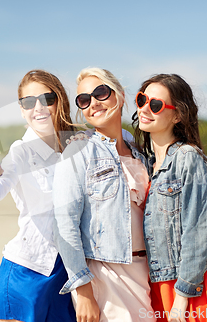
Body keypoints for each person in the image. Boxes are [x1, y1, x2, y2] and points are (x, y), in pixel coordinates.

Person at [53, 67, 155, 322]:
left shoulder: (140, 152)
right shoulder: (78, 151)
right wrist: (83, 289)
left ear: (120, 96)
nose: (93, 103)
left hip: (148, 272)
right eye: (84, 100)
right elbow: (65, 224)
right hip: (106, 273)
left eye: (100, 93)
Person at [0, 69, 76, 322]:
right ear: (22, 110)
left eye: (47, 99)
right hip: (26, 270)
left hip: (69, 271)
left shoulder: (75, 146)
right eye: (28, 102)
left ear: (60, 101)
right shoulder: (20, 152)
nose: (38, 107)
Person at [133, 74, 207, 322]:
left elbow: (198, 231)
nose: (145, 108)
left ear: (177, 115)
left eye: (156, 105)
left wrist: (183, 294)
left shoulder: (187, 157)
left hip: (190, 282)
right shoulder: (149, 163)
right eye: (142, 99)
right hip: (161, 277)